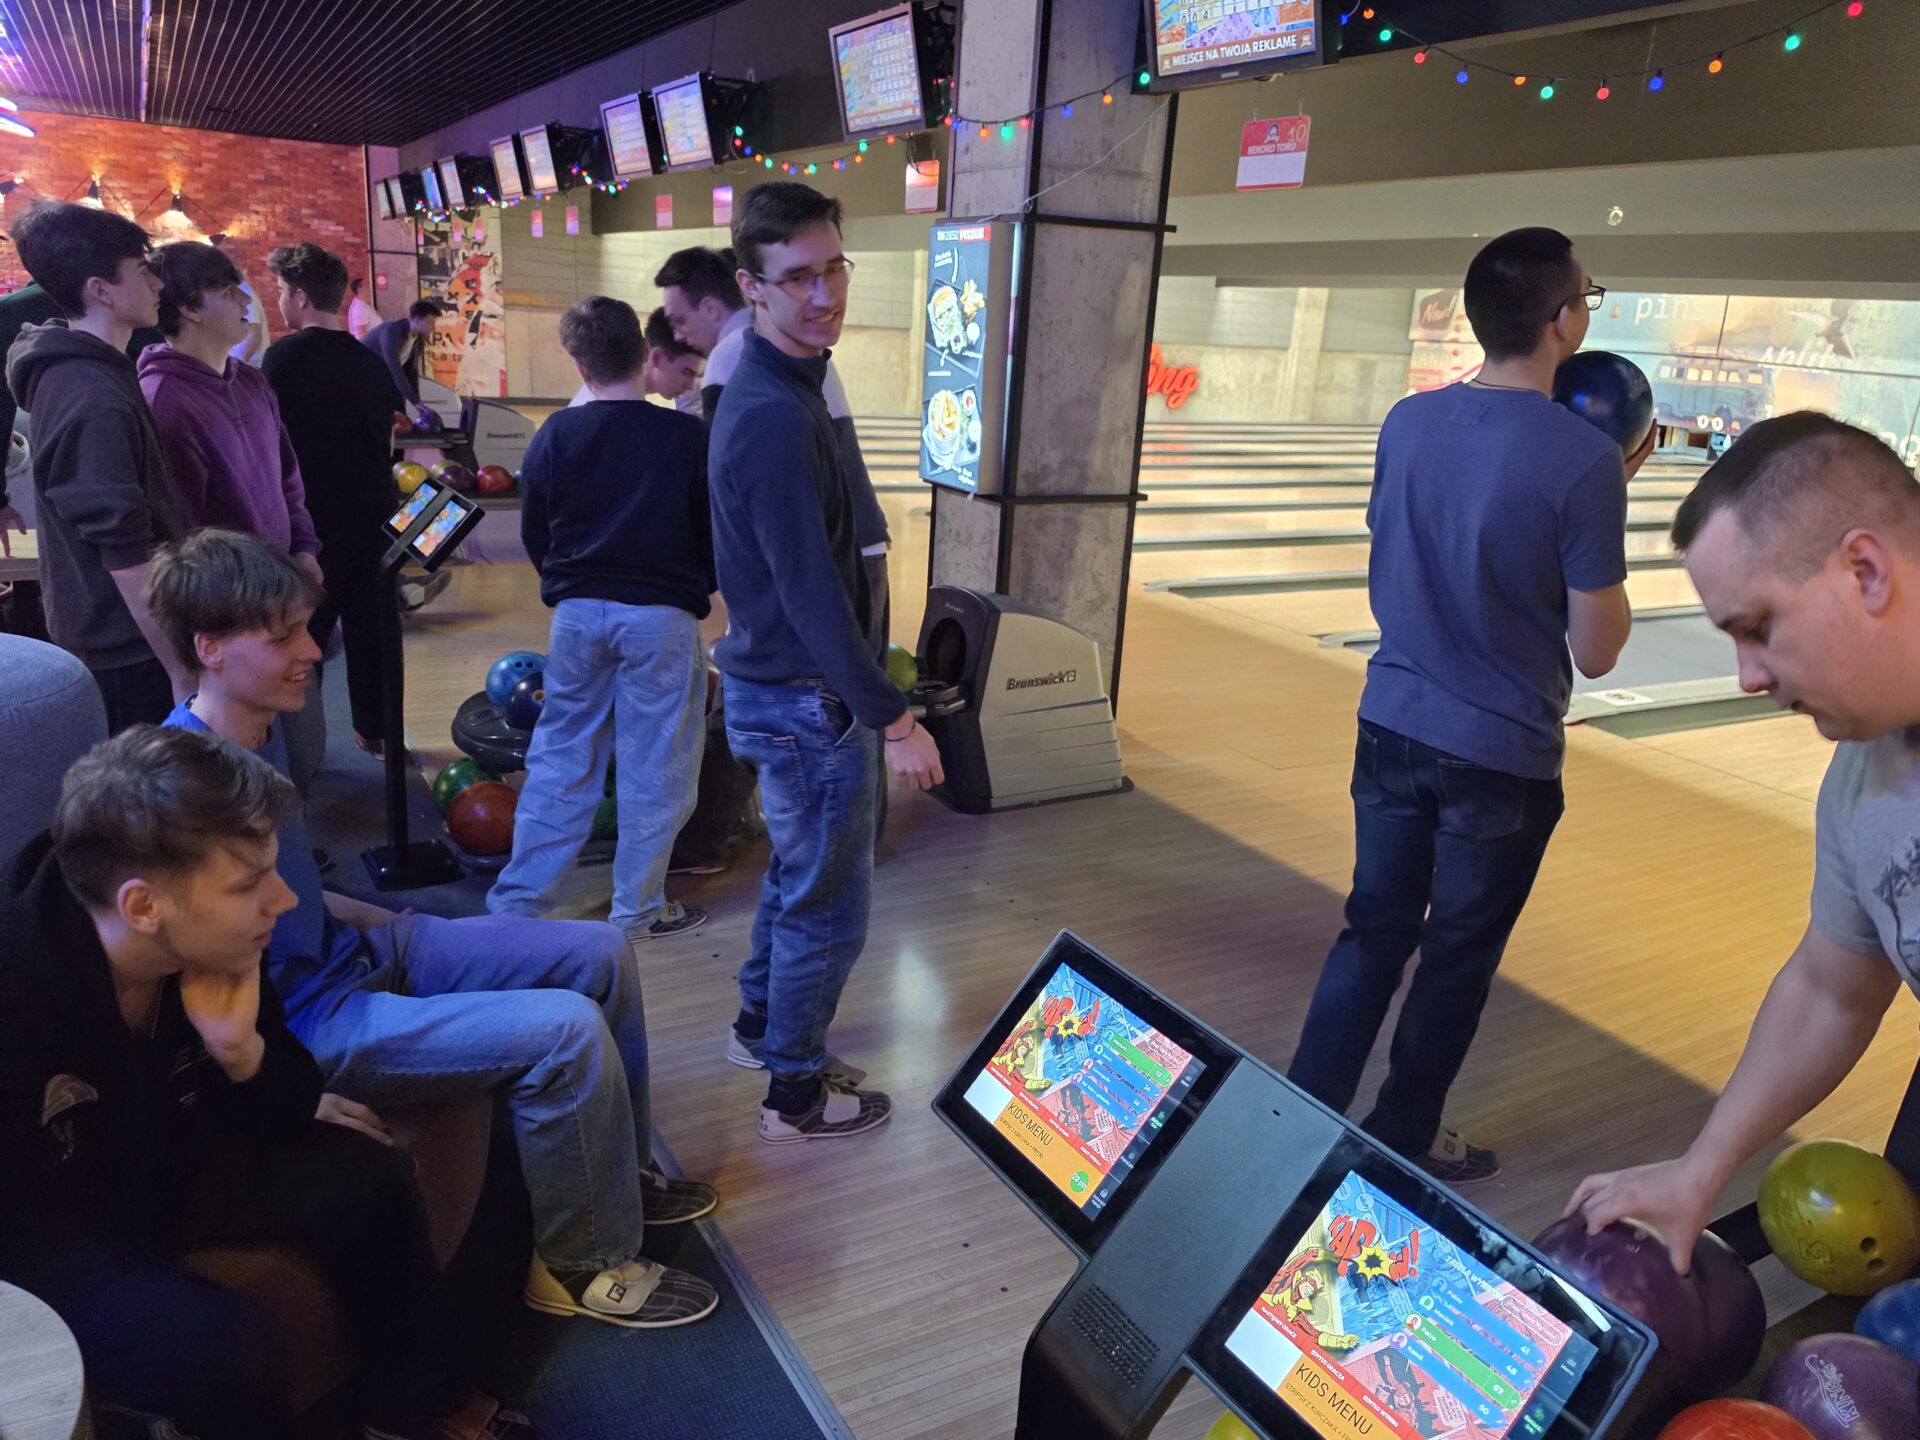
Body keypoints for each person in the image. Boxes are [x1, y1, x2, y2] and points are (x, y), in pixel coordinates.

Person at [147, 528, 720, 1328]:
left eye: (306, 629)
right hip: (314, 1023)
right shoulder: (186, 790)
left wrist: (399, 926)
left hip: (354, 951)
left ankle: (619, 1180)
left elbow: (292, 894)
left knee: (601, 950)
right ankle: (580, 1263)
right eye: (282, 639)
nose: (311, 652)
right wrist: (282, 1095)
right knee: (566, 1032)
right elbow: (176, 983)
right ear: (209, 649)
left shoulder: (260, 732)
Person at [0, 724, 537, 1440]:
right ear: (142, 907)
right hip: (48, 1237)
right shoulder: (19, 985)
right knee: (222, 1348)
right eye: (248, 882)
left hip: (174, 1160)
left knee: (369, 1176)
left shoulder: (209, 943)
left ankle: (417, 1407)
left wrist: (242, 1053)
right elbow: (40, 1226)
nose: (282, 900)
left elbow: (285, 1103)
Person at [1285, 227, 1653, 1185]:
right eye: (1587, 297)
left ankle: (1293, 1120)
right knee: (1455, 957)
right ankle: (1403, 1132)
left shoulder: (1408, 422)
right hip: (1500, 758)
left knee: (1372, 932)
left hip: (1390, 728)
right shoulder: (1586, 461)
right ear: (1563, 320)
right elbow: (1599, 651)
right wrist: (1610, 495)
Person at [1569, 413, 1920, 1270]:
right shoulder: (1863, 780)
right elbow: (1831, 989)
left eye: (1759, 627)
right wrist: (1702, 1169)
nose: (1749, 677)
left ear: (1866, 571)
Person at [706, 183, 943, 1143]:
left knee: (798, 880)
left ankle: (761, 1031)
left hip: (782, 694)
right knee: (830, 908)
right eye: (797, 277)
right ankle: (794, 1098)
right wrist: (894, 717)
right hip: (808, 704)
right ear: (752, 288)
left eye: (833, 268)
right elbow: (813, 596)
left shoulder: (789, 389)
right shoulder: (772, 411)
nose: (824, 294)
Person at [488, 296, 714, 941]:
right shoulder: (687, 437)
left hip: (578, 615)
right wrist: (692, 588)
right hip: (662, 617)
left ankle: (516, 907)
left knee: (561, 760)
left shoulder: (556, 433)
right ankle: (637, 911)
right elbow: (714, 535)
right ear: (644, 354)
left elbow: (536, 532)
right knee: (658, 767)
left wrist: (572, 588)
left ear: (579, 365)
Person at [669, 243, 897, 833]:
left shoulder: (740, 358)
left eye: (680, 319)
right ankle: (852, 838)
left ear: (718, 303)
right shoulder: (784, 355)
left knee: (806, 703)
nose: (677, 334)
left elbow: (732, 490)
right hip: (856, 543)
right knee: (844, 712)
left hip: (830, 552)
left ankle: (715, 837)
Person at [140, 240, 329, 795]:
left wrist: (305, 547)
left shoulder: (251, 381)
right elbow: (184, 531)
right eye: (227, 291)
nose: (245, 300)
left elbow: (288, 476)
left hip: (280, 589)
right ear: (189, 308)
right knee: (252, 766)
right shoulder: (164, 398)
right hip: (233, 609)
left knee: (304, 749)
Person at [3, 200, 187, 731]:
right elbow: (125, 554)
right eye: (142, 270)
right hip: (126, 646)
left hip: (123, 633)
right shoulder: (90, 394)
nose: (157, 283)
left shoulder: (96, 371)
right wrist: (182, 668)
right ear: (100, 289)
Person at [262, 242, 406, 756]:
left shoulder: (281, 359)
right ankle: (379, 732)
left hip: (312, 524)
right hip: (375, 517)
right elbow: (387, 442)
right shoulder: (370, 361)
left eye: (281, 290)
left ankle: (303, 744)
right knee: (375, 634)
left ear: (300, 296)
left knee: (303, 636)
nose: (279, 300)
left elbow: (270, 446)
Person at [0, 278, 164, 551]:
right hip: (128, 483)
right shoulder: (135, 308)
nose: (155, 283)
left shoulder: (13, 311)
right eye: (141, 268)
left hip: (112, 480)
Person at [365, 298, 446, 414]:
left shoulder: (418, 338)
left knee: (400, 411)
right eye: (430, 324)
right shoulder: (392, 330)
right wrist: (414, 401)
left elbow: (411, 371)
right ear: (417, 320)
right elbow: (394, 368)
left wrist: (418, 402)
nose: (433, 328)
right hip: (363, 377)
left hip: (382, 376)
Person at [210, 233, 270, 366]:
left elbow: (254, 335)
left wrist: (235, 368)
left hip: (250, 367)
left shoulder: (242, 291)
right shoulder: (235, 291)